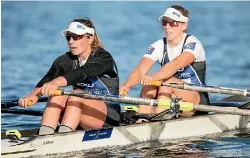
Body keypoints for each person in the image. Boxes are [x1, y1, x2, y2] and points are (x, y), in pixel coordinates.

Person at [18, 18, 121, 135]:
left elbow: (82, 72)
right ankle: (45, 135)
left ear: (90, 38)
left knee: (76, 95)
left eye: (76, 37)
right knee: (57, 95)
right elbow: (49, 77)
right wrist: (33, 95)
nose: (71, 41)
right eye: (68, 37)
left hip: (107, 116)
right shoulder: (65, 60)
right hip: (77, 110)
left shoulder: (103, 58)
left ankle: (64, 136)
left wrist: (56, 83)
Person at [120, 5, 209, 117]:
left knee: (165, 81)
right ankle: (143, 119)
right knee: (149, 85)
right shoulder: (158, 45)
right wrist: (127, 85)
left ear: (184, 25)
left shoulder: (193, 43)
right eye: (164, 22)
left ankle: (159, 119)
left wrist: (153, 78)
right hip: (172, 97)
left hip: (196, 100)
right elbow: (140, 69)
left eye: (172, 23)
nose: (167, 27)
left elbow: (175, 64)